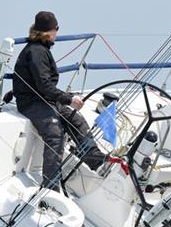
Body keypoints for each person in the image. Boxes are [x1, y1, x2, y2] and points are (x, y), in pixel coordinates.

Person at [12, 11, 103, 191]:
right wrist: (69, 99)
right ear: (48, 31)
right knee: (55, 133)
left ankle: (96, 160)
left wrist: (65, 101)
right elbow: (44, 85)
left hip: (45, 100)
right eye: (56, 29)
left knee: (75, 119)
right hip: (32, 102)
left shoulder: (41, 48)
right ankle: (50, 187)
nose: (57, 33)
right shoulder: (37, 52)